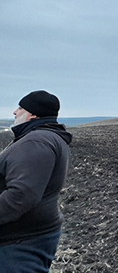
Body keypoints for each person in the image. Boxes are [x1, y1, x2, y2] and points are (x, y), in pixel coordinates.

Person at [0, 90, 72, 272]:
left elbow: (20, 196)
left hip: (20, 242)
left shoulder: (36, 141)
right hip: (27, 237)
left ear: (32, 114)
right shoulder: (47, 137)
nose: (15, 112)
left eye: (20, 107)